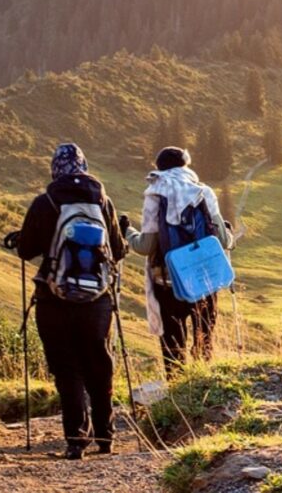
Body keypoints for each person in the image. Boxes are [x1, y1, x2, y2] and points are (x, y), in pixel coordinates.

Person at [12, 143, 126, 460]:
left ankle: (77, 440)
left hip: (53, 299)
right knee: (99, 365)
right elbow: (117, 251)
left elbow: (26, 250)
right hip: (97, 300)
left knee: (67, 368)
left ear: (55, 170)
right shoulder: (103, 202)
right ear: (84, 166)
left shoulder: (45, 202)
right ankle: (106, 436)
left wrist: (19, 238)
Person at [120, 146, 233, 378]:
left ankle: (176, 395)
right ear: (186, 166)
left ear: (159, 169)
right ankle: (204, 392)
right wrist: (228, 233)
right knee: (204, 345)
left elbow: (145, 246)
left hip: (168, 283)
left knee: (173, 349)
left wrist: (127, 231)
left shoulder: (155, 193)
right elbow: (223, 240)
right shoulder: (203, 192)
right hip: (205, 281)